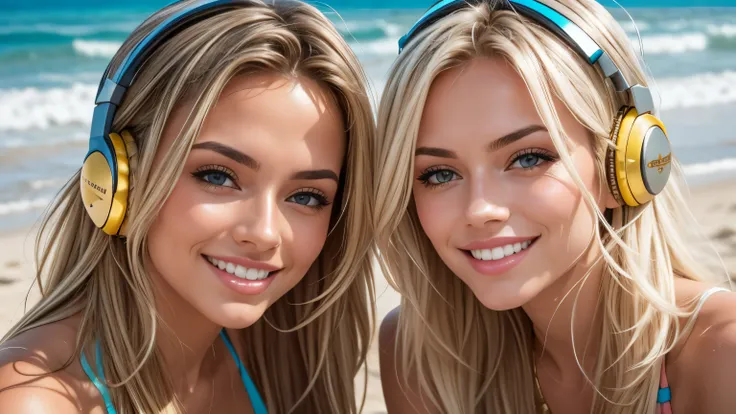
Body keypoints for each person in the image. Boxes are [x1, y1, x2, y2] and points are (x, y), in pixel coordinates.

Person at [0, 1, 376, 413]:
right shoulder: (34, 401)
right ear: (118, 177)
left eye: (306, 197)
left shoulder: (269, 349)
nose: (265, 232)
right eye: (217, 176)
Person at [374, 0, 736, 413]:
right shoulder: (418, 358)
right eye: (439, 174)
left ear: (622, 163)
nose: (480, 209)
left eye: (528, 158)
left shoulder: (722, 351)